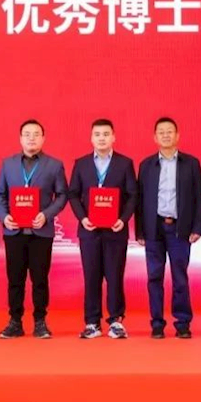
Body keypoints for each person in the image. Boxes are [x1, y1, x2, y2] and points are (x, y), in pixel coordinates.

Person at [0, 119, 68, 340]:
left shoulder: (54, 165)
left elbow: (62, 195)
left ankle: (40, 321)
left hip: (40, 232)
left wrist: (46, 214)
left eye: (36, 134)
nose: (31, 138)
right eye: (27, 134)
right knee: (15, 279)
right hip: (14, 231)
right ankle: (15, 322)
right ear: (20, 138)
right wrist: (4, 217)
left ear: (43, 138)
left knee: (40, 279)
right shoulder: (8, 164)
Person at [135, 117, 201, 339]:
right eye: (161, 132)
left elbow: (198, 197)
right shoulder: (146, 165)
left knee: (180, 277)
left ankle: (182, 323)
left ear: (177, 136)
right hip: (153, 228)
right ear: (155, 137)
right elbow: (139, 200)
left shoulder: (191, 163)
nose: (166, 135)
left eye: (170, 131)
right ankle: (157, 323)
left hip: (179, 229)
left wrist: (197, 227)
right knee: (154, 277)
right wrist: (139, 230)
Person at [68, 119, 138, 339]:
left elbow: (132, 195)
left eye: (106, 134)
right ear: (91, 138)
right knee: (91, 276)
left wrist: (123, 219)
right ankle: (92, 322)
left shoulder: (125, 163)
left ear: (113, 137)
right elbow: (73, 194)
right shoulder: (81, 164)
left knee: (115, 276)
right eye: (97, 134)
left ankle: (116, 321)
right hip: (89, 230)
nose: (101, 138)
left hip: (115, 230)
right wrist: (82, 218)